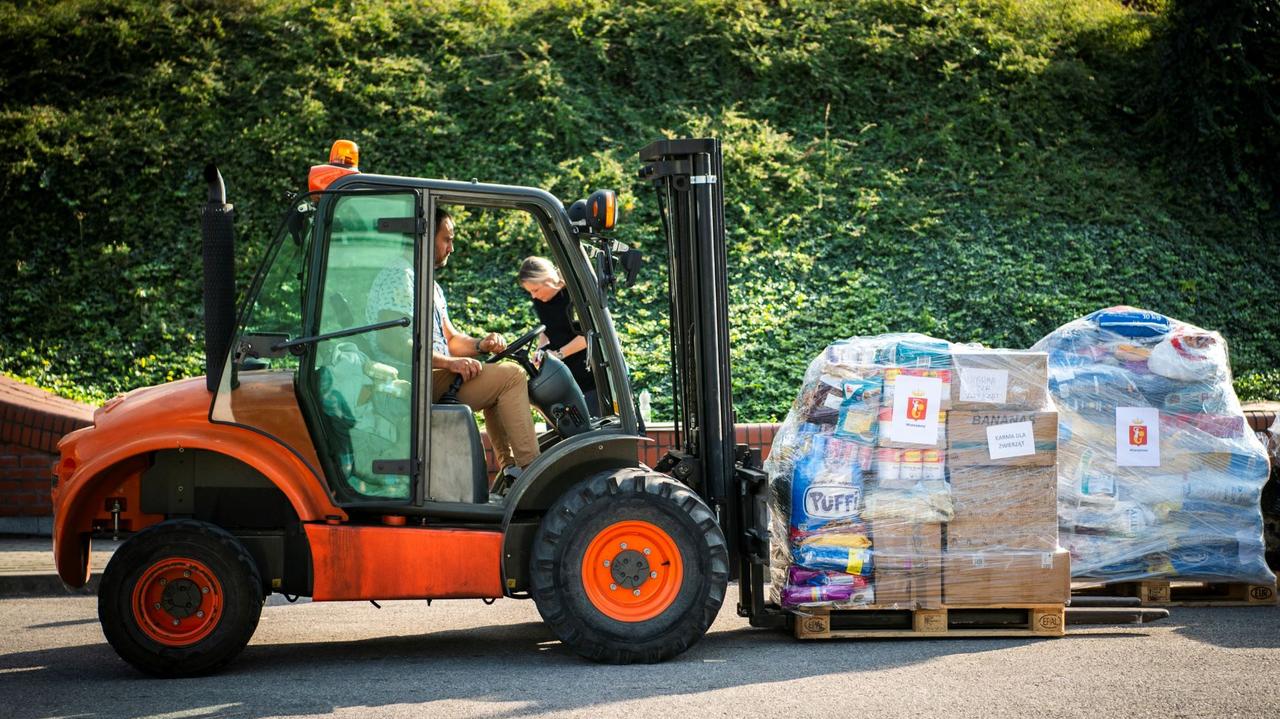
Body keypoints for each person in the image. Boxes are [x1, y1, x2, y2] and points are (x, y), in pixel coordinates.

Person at [366, 208, 540, 477]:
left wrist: (482, 344)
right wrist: (451, 363)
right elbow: (393, 343)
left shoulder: (428, 284)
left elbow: (450, 339)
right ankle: (533, 472)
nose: (452, 248)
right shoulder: (399, 276)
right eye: (447, 239)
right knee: (512, 377)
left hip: (434, 373)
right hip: (414, 380)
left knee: (499, 385)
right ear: (423, 237)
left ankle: (511, 472)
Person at [517, 256, 599, 416]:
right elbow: (547, 330)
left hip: (586, 369)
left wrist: (558, 355)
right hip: (560, 371)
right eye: (530, 292)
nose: (533, 296)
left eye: (535, 290)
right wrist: (540, 350)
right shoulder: (541, 301)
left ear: (547, 279)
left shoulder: (574, 295)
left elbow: (588, 336)